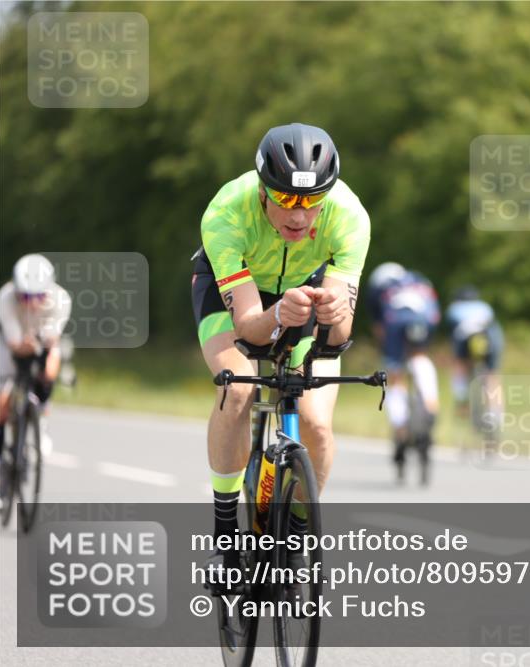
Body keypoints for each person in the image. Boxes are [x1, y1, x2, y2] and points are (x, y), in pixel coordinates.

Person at [192, 123, 370, 578]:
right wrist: (276, 317)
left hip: (305, 291)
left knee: (317, 426)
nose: (300, 215)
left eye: (312, 201)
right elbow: (250, 330)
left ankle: (294, 537)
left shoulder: (349, 216)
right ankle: (226, 532)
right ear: (263, 189)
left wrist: (332, 312)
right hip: (234, 293)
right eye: (287, 198)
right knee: (237, 390)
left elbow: (338, 337)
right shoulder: (227, 212)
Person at [0, 254, 72, 496]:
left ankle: (40, 417)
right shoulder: (6, 298)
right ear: (17, 290)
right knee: (1, 400)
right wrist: (24, 345)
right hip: (9, 345)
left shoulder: (60, 299)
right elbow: (15, 344)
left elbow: (51, 340)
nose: (31, 303)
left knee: (50, 367)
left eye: (38, 296)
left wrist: (41, 352)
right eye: (26, 296)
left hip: (40, 341)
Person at [366, 263, 440, 484]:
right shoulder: (419, 279)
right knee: (420, 357)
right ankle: (430, 404)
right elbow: (435, 310)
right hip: (424, 318)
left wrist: (387, 349)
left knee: (395, 374)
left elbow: (379, 327)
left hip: (396, 322)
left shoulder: (380, 288)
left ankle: (400, 429)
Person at [445, 285, 504, 430]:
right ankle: (496, 415)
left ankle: (462, 401)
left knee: (460, 367)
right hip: (489, 338)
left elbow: (452, 334)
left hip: (464, 339)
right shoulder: (485, 307)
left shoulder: (454, 309)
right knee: (491, 376)